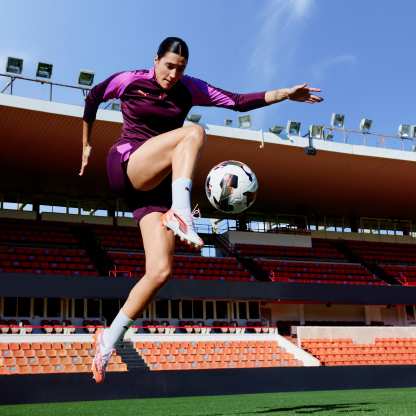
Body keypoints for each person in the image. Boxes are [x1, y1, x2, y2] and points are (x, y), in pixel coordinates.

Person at [79, 36, 323, 383]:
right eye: (168, 66)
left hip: (154, 189)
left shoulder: (190, 88)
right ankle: (181, 211)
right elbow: (93, 96)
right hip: (128, 162)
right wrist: (86, 143)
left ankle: (108, 340)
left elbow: (238, 102)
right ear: (155, 60)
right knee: (192, 132)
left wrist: (285, 93)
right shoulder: (131, 80)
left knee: (160, 271)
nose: (173, 75)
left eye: (180, 69)